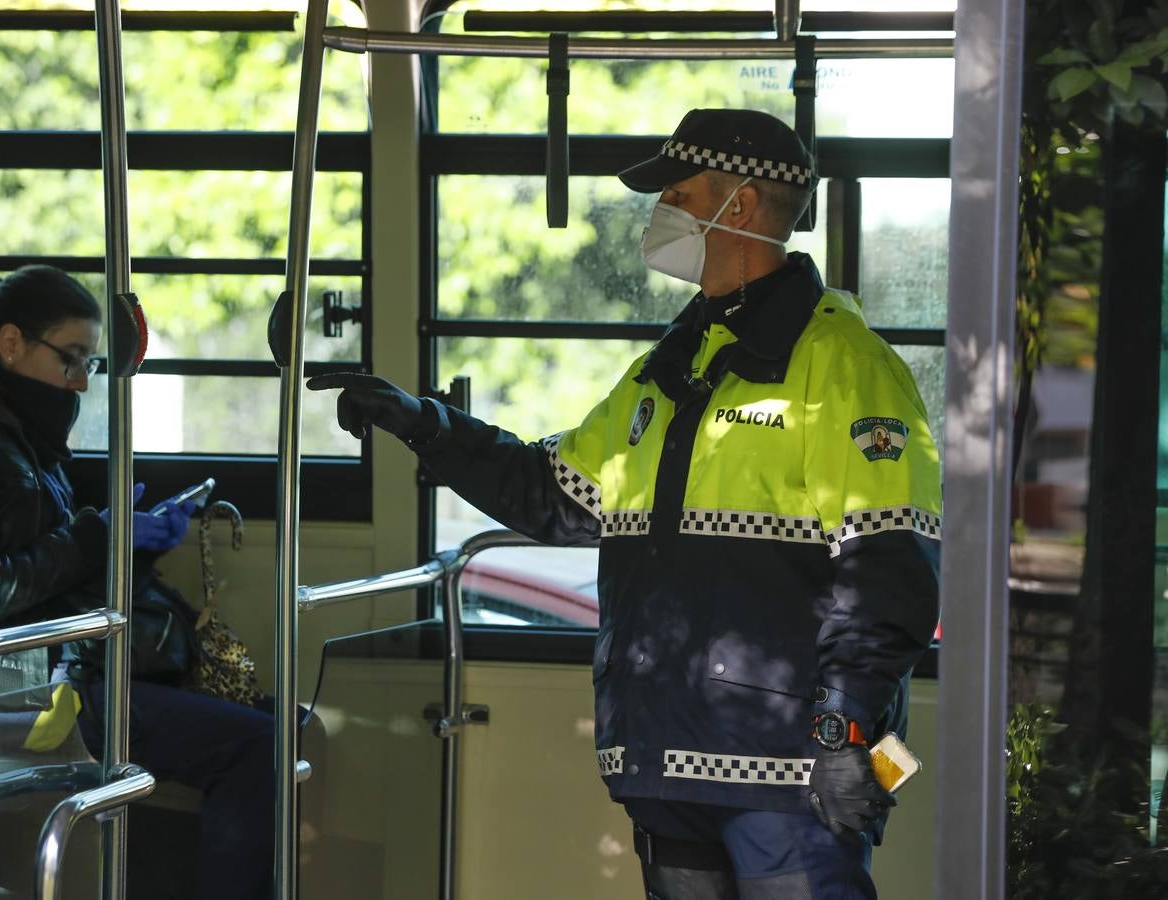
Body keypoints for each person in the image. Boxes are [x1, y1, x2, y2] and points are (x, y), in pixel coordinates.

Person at [309, 109, 941, 899]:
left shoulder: (844, 366)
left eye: (677, 193)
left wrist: (847, 735)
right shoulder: (670, 369)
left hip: (791, 775)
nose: (661, 214)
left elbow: (889, 572)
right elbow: (555, 496)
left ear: (737, 206)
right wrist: (424, 423)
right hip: (665, 759)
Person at [0, 264, 278, 900]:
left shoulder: (24, 439)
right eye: (72, 360)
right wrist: (99, 535)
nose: (80, 382)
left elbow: (50, 568)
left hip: (71, 661)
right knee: (261, 747)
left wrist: (132, 543)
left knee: (281, 719)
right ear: (10, 343)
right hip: (22, 686)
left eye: (88, 366)